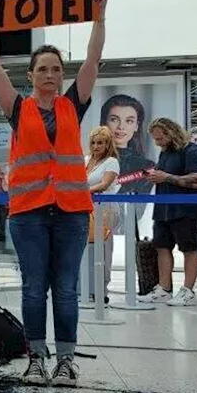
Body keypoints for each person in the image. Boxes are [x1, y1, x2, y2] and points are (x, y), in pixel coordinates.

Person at [0, 0, 110, 388]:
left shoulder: (75, 103)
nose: (51, 75)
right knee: (35, 289)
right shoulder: (17, 108)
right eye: (43, 69)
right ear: (31, 75)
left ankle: (66, 361)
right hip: (29, 213)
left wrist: (99, 15)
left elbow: (94, 58)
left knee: (67, 290)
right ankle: (36, 358)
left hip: (72, 212)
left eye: (56, 69)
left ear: (63, 75)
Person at [139, 118, 197, 308]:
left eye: (160, 138)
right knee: (162, 246)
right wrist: (156, 177)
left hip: (187, 209)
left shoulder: (191, 151)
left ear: (171, 133)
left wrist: (167, 177)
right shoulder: (165, 153)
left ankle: (187, 290)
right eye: (155, 139)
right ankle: (163, 288)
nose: (158, 142)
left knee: (189, 249)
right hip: (164, 209)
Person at [85, 126, 122, 302]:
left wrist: (81, 191)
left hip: (105, 208)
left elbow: (105, 184)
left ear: (107, 144)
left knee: (103, 249)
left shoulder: (111, 162)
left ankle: (101, 289)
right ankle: (86, 286)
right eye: (93, 143)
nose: (96, 146)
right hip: (85, 207)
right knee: (87, 249)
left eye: (100, 142)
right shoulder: (85, 160)